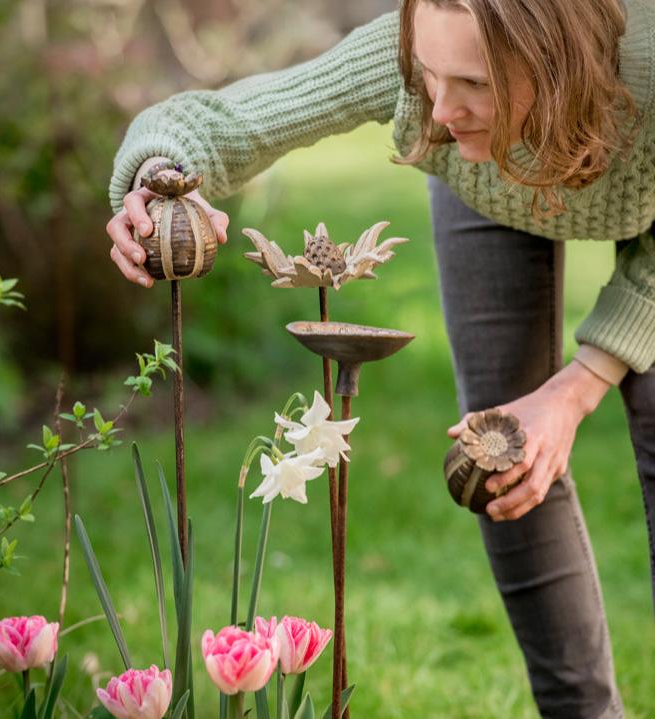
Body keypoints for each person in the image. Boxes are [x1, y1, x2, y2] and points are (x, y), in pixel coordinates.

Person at [106, 0, 655, 716]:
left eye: (475, 83)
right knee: (500, 462)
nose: (441, 108)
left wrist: (578, 387)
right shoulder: (414, 79)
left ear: (555, 64)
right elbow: (228, 122)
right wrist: (157, 178)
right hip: (485, 192)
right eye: (429, 75)